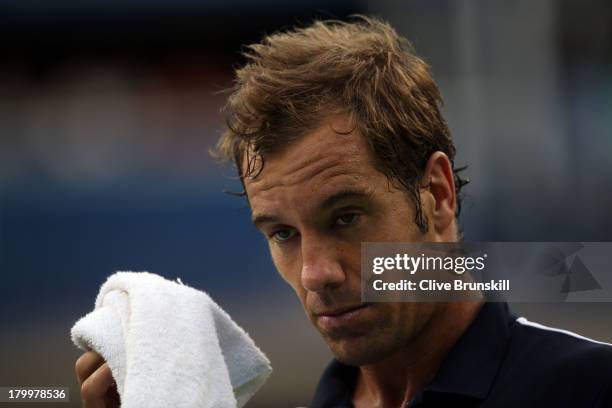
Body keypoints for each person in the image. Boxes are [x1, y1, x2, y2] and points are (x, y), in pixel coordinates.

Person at [75, 17, 612, 407]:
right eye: (283, 233)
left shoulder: (589, 386)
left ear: (438, 194)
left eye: (346, 218)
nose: (315, 274)